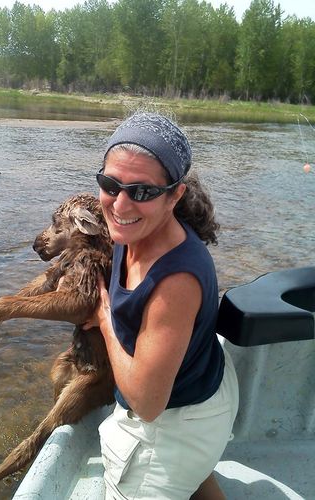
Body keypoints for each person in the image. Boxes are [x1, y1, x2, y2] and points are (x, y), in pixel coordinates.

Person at [83, 111, 239, 500]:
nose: (120, 204)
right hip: (202, 386)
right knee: (197, 474)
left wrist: (104, 320)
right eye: (110, 183)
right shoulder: (132, 227)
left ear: (175, 195)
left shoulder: (176, 281)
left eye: (142, 191)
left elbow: (149, 404)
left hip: (176, 417)